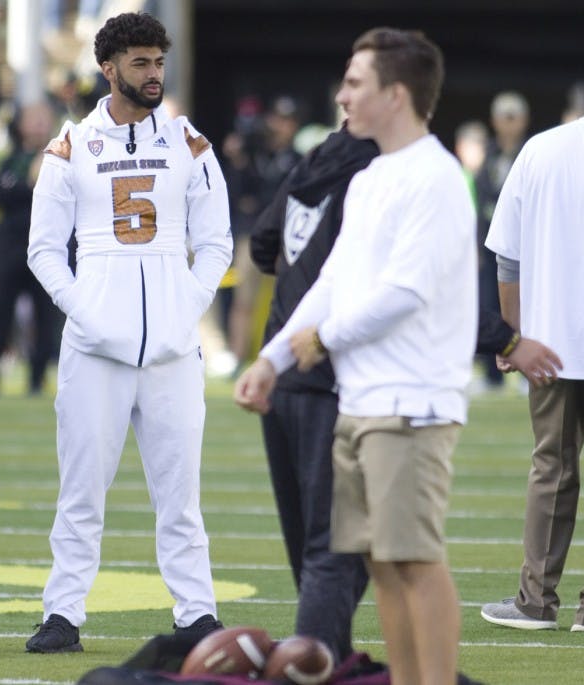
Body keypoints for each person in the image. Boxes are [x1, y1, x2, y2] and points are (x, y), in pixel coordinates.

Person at [234, 28, 475, 685]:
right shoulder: (370, 179)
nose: (343, 94)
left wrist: (323, 338)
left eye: (357, 82)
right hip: (361, 401)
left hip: (412, 402)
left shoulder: (435, 176)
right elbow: (332, 281)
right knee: (384, 563)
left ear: (396, 95)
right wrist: (272, 360)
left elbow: (405, 291)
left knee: (417, 561)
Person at [25, 12, 232, 653]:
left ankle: (197, 614)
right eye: (140, 63)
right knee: (81, 492)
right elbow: (43, 250)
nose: (153, 75)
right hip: (95, 350)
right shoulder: (71, 146)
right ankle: (63, 614)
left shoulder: (188, 142)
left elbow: (217, 241)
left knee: (181, 496)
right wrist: (83, 309)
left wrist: (186, 307)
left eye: (158, 62)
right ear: (108, 68)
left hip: (172, 349)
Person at [244, 124, 378, 664]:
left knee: (311, 541)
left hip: (282, 362)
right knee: (347, 542)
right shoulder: (378, 172)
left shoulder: (310, 163)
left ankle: (326, 651)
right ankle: (315, 659)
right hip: (332, 370)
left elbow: (262, 247)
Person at [479, 113, 584, 634]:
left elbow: (508, 259)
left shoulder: (541, 150)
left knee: (551, 466)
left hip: (552, 343)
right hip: (552, 343)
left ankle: (536, 600)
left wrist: (512, 336)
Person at [0, 101, 60, 394]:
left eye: (42, 120)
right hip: (8, 248)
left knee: (45, 316)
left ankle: (36, 378)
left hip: (46, 248)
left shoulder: (59, 159)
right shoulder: (8, 158)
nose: (37, 126)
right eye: (32, 119)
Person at [473, 90, 529, 393]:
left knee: (524, 303)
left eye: (513, 117)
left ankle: (524, 368)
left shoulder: (530, 152)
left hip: (520, 243)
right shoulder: (489, 155)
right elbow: (480, 200)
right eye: (503, 118)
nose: (508, 124)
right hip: (490, 243)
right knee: (489, 303)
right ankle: (492, 373)